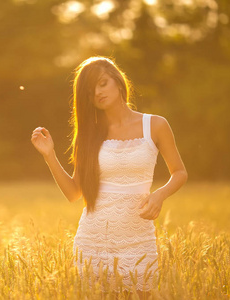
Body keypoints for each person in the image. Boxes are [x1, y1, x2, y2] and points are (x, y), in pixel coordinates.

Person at [31, 56, 188, 298]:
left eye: (102, 83)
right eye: (91, 91)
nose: (98, 92)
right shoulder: (90, 134)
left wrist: (159, 195)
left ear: (117, 81)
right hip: (93, 240)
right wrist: (49, 155)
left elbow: (179, 172)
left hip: (137, 238)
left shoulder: (155, 125)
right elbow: (74, 193)